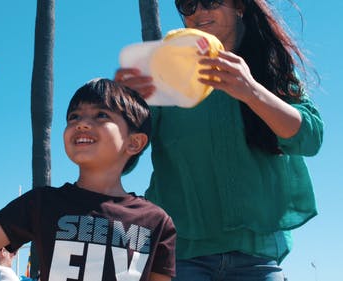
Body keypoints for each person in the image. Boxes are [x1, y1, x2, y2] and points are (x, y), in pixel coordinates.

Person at [114, 0, 323, 280]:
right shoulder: (164, 73)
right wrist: (121, 110)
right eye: (187, 5)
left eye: (210, 2)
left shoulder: (270, 68)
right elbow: (121, 161)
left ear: (239, 7)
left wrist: (251, 91)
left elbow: (311, 139)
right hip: (179, 254)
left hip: (257, 257)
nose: (199, 12)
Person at [0, 78, 177, 281]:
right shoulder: (42, 203)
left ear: (135, 142)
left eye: (101, 115)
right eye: (74, 117)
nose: (81, 124)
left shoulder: (156, 222)